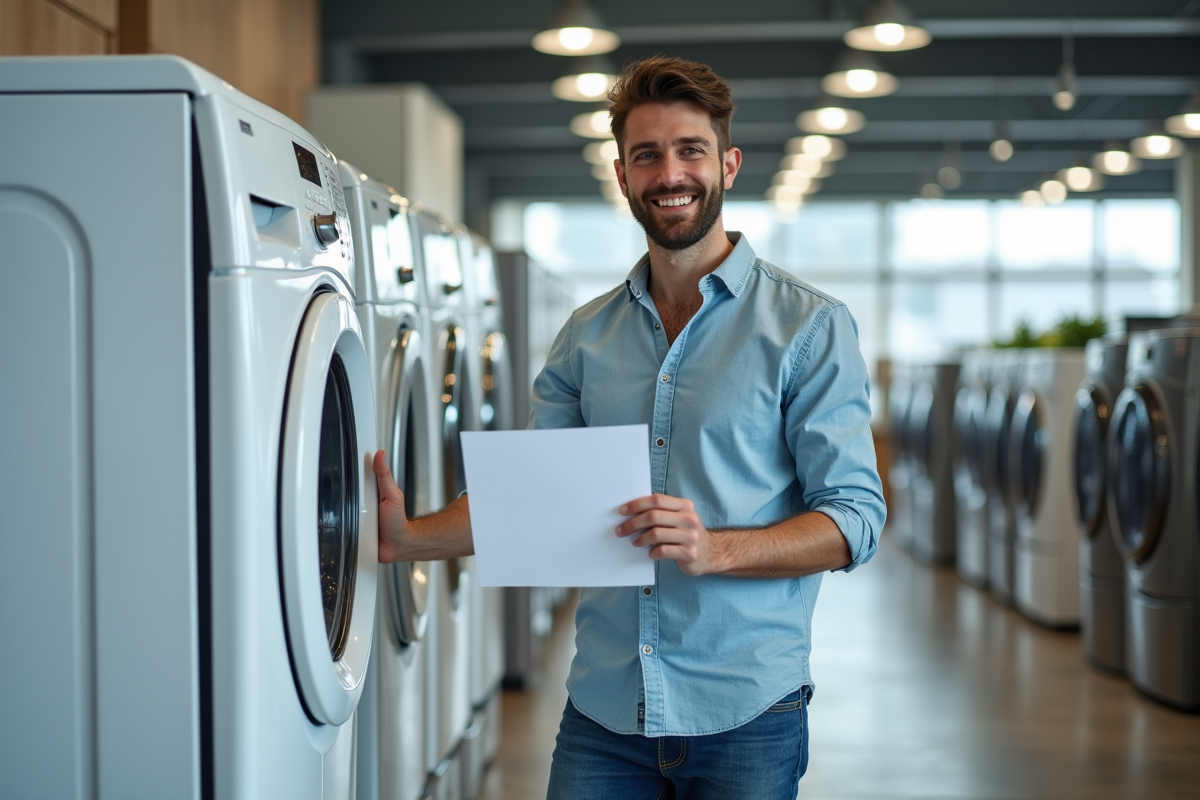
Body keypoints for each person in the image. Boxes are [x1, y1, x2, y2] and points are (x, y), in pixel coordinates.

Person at [373, 56, 886, 799]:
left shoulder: (807, 327)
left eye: (690, 151)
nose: (669, 173)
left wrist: (716, 549)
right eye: (647, 155)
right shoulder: (587, 337)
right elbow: (531, 500)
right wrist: (406, 539)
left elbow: (855, 519)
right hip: (607, 713)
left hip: (746, 712)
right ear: (622, 176)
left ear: (728, 165)